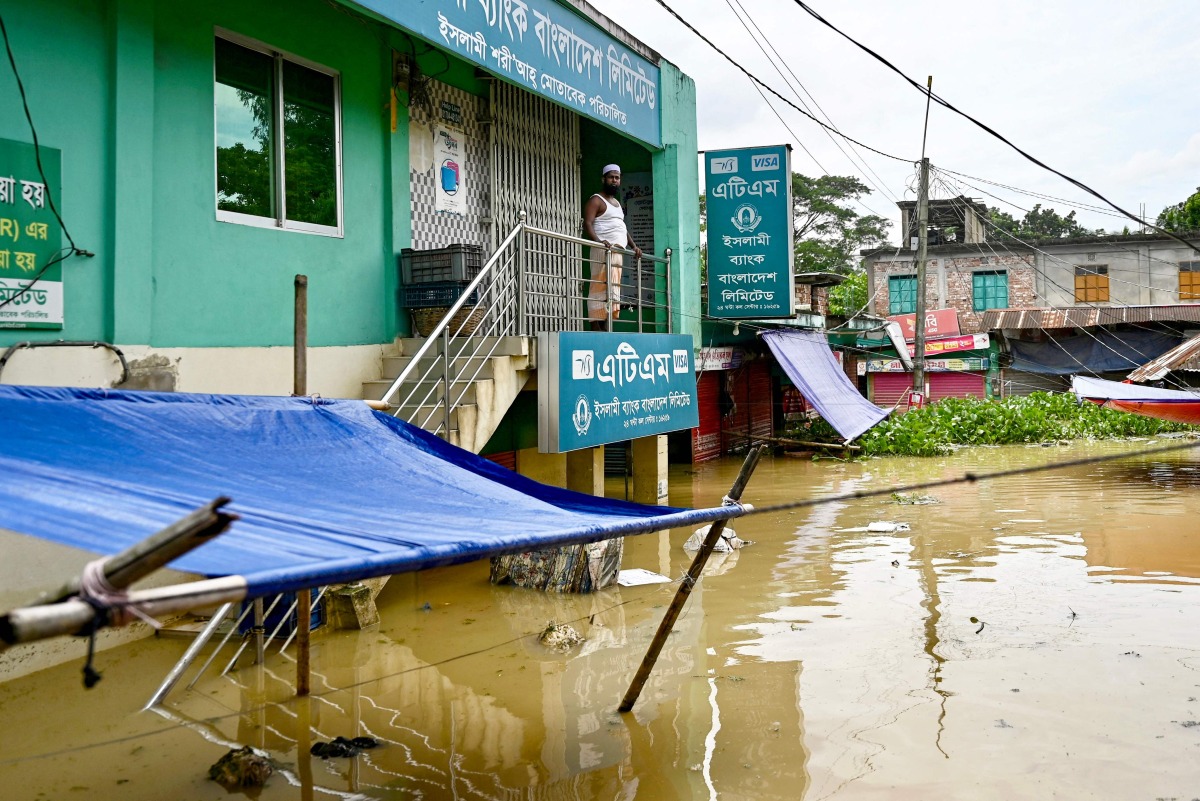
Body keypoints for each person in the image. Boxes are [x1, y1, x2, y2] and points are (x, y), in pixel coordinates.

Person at [582, 164, 641, 330]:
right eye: (611, 177)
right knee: (599, 288)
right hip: (604, 251)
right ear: (603, 179)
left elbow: (622, 227)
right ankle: (596, 328)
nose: (614, 180)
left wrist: (634, 246)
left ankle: (607, 330)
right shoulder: (596, 200)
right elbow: (587, 223)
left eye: (617, 177)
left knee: (612, 291)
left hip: (617, 253)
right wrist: (599, 242)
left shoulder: (616, 203)